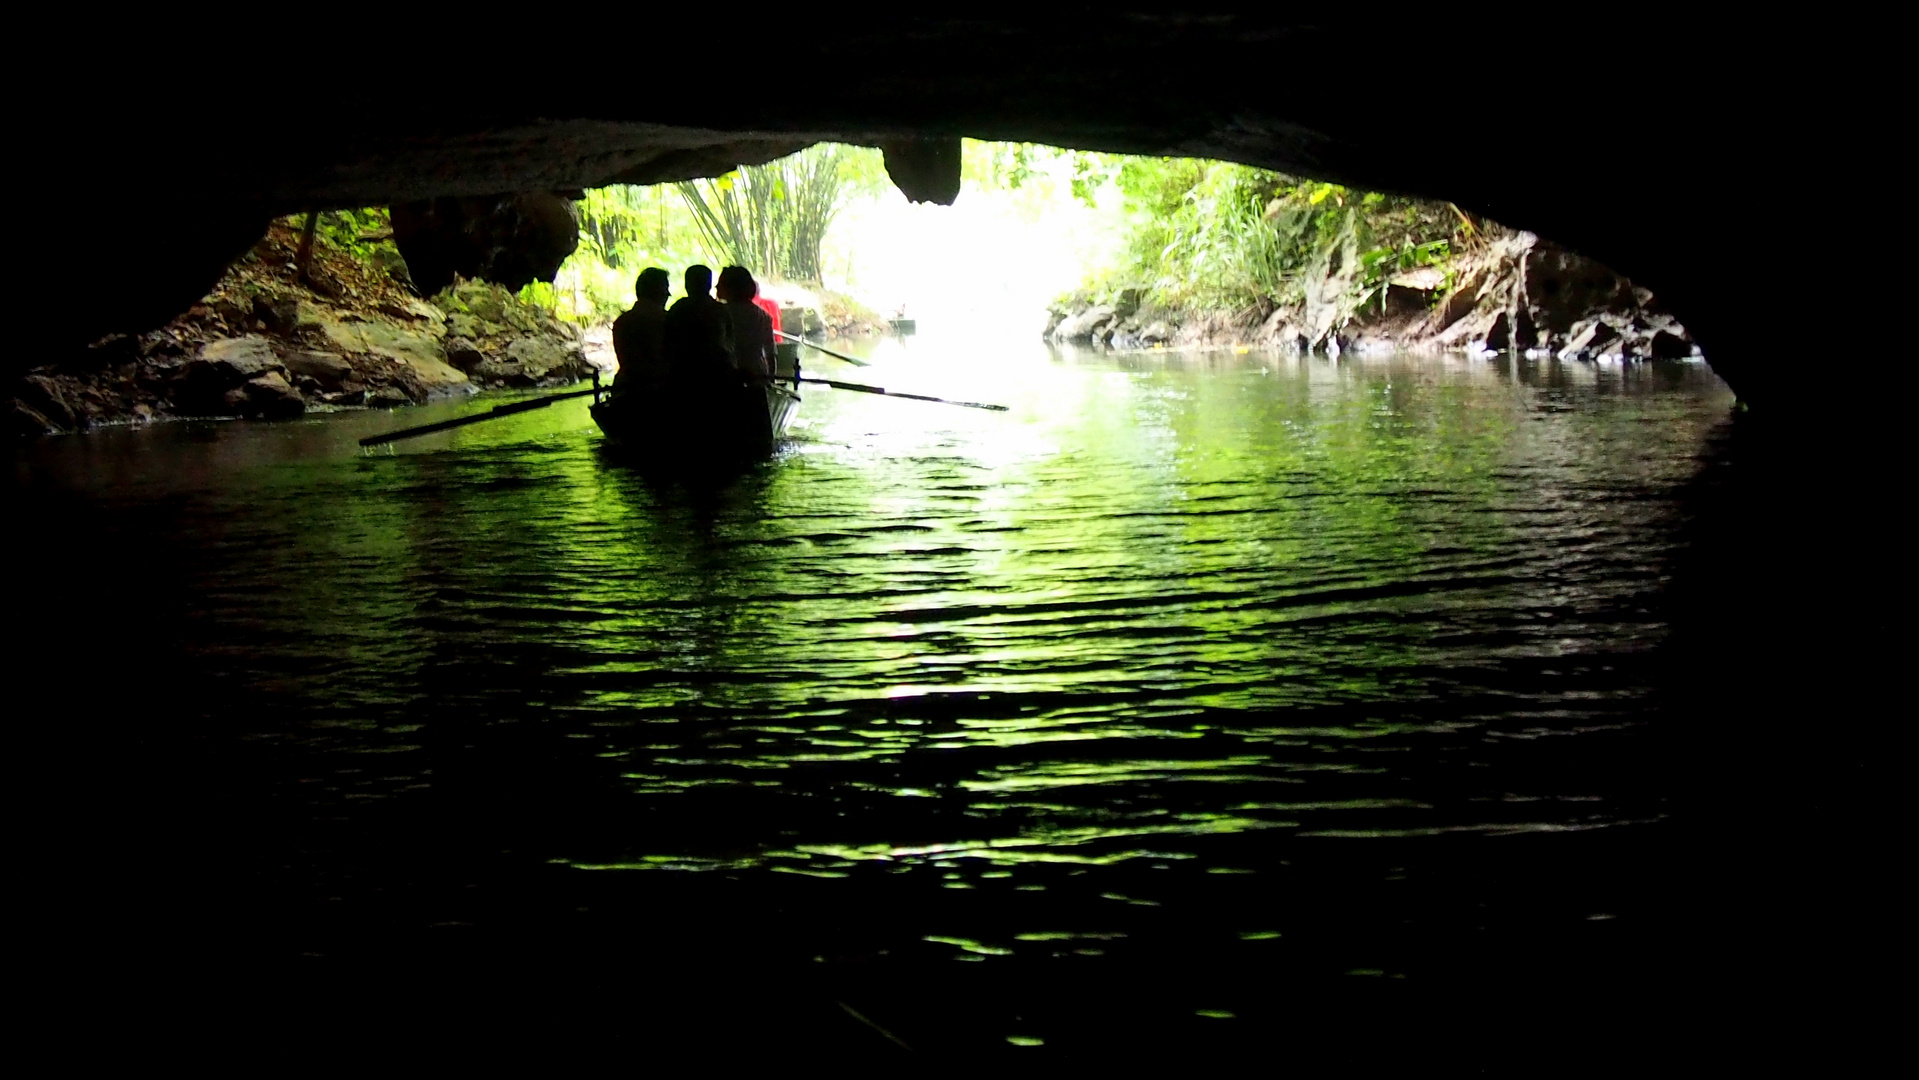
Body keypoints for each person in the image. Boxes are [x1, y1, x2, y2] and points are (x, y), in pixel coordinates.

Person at [663, 264, 734, 386]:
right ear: (709, 285)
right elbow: (729, 343)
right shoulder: (719, 310)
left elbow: (667, 341)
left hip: (682, 372)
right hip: (716, 372)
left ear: (687, 284)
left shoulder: (678, 309)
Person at [610, 267, 670, 390]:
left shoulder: (622, 322)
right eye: (665, 289)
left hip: (627, 388)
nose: (668, 294)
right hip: (659, 388)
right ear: (658, 292)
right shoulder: (666, 321)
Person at [716, 265, 776, 381]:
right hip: (756, 375)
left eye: (720, 283)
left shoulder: (719, 313)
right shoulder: (763, 316)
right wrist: (771, 379)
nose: (716, 286)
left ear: (730, 287)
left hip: (728, 376)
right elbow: (770, 353)